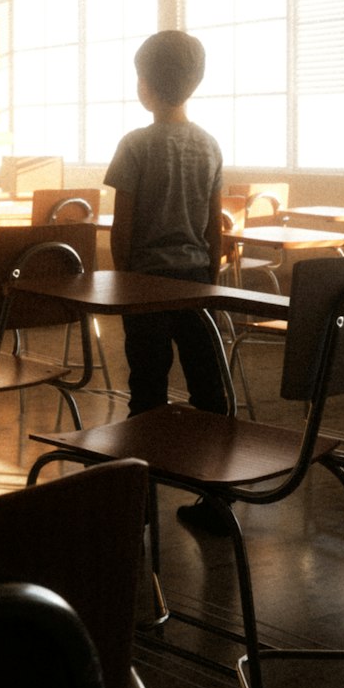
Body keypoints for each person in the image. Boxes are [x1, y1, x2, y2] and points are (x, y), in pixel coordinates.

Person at [104, 30, 230, 531]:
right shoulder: (209, 144)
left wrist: (122, 282)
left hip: (145, 283)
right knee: (209, 389)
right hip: (197, 279)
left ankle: (139, 502)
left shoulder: (134, 145)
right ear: (194, 83)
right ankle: (218, 500)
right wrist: (210, 279)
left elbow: (123, 228)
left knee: (147, 389)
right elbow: (213, 225)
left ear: (144, 86)